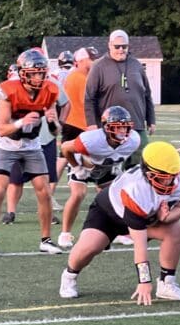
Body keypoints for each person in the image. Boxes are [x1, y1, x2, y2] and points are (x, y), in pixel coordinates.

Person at [59, 141, 180, 303]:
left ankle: (167, 283)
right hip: (108, 215)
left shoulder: (179, 179)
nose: (170, 183)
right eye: (164, 178)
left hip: (144, 217)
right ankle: (69, 276)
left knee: (174, 229)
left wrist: (167, 217)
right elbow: (139, 243)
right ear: (148, 174)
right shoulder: (135, 188)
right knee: (89, 247)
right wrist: (144, 281)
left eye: (173, 177)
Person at [0, 48, 63, 256]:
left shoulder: (50, 90)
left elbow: (55, 132)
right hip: (5, 144)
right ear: (23, 73)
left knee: (44, 191)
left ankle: (46, 240)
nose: (38, 78)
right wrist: (21, 122)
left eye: (41, 73)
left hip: (31, 144)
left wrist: (53, 122)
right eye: (34, 73)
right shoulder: (9, 90)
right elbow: (2, 128)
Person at [58, 105, 141, 249]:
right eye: (117, 127)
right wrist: (77, 167)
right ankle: (65, 233)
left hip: (106, 167)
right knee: (78, 194)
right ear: (106, 127)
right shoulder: (91, 140)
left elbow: (121, 157)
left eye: (125, 127)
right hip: (83, 163)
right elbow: (65, 147)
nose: (122, 131)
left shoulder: (133, 140)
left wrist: (117, 169)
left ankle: (119, 232)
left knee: (115, 197)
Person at [85, 30, 155, 165]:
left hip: (136, 125)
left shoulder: (137, 64)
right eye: (117, 46)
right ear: (109, 45)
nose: (121, 49)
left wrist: (151, 119)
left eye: (124, 46)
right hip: (111, 129)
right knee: (112, 169)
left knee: (141, 165)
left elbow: (147, 94)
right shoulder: (98, 66)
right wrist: (92, 123)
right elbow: (89, 98)